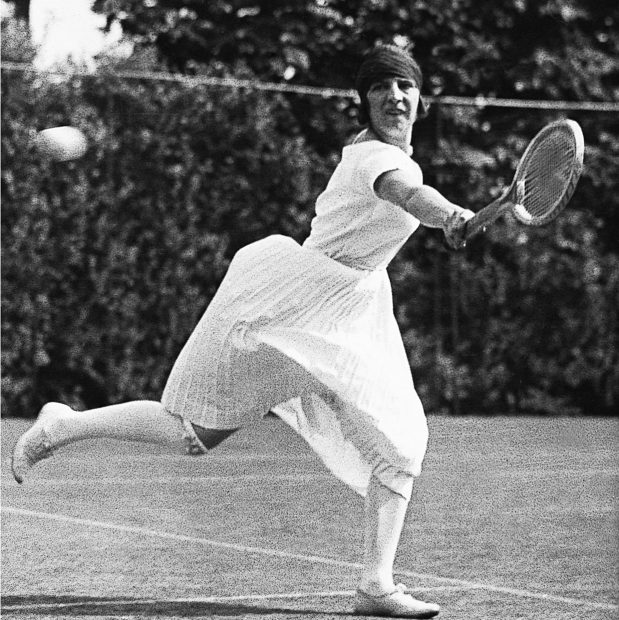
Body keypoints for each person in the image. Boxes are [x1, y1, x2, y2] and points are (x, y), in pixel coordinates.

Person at [12, 44, 474, 618]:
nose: (394, 96)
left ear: (421, 98)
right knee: (198, 434)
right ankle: (62, 426)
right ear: (366, 101)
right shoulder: (378, 159)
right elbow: (407, 194)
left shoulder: (386, 152)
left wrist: (447, 213)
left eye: (404, 85)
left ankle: (375, 587)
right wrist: (450, 213)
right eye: (381, 88)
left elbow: (410, 192)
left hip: (352, 311)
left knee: (392, 443)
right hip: (294, 306)